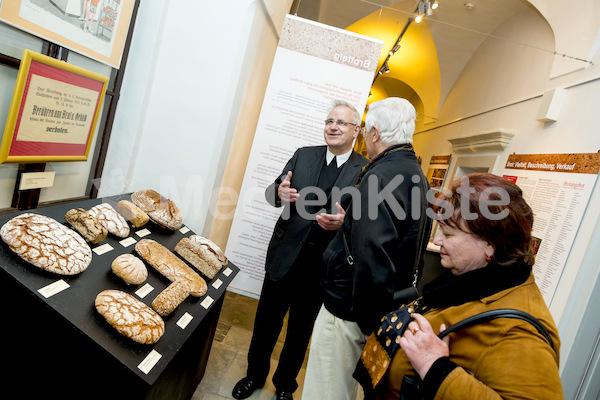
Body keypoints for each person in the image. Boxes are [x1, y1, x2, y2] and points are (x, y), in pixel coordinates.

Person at [357, 173, 563, 399]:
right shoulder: (471, 282)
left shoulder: (519, 332)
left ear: (490, 245)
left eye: (448, 233)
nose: (437, 241)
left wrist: (435, 368)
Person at [232, 100, 369, 400]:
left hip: (322, 269)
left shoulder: (365, 170)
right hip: (284, 258)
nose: (332, 126)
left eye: (341, 122)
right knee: (265, 325)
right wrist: (279, 191)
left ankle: (285, 386)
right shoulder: (303, 155)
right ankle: (254, 376)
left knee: (299, 333)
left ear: (356, 130)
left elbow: (365, 220)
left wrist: (346, 223)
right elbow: (273, 193)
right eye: (329, 121)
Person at [302, 97, 432, 400]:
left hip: (348, 312)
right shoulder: (415, 174)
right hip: (376, 308)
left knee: (327, 391)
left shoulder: (381, 176)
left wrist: (366, 320)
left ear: (373, 132)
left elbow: (373, 257)